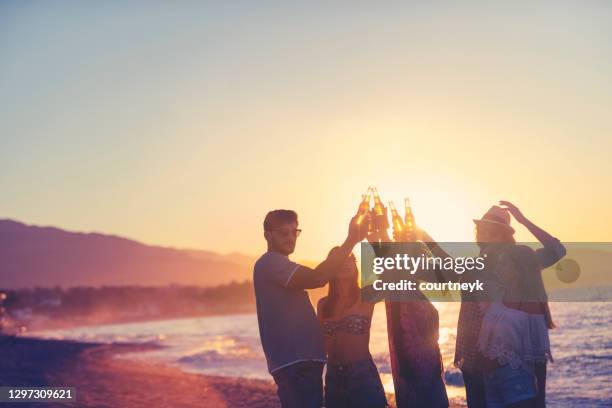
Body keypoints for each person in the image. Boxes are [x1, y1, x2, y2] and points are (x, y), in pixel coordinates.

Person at [420, 202, 565, 408]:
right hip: (473, 361)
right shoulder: (473, 267)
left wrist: (522, 220)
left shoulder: (517, 264)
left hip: (507, 365)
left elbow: (557, 250)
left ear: (502, 236)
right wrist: (425, 239)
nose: (480, 233)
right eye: (480, 228)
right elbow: (449, 269)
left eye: (487, 230)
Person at [253, 209, 370, 408]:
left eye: (294, 232)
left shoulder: (282, 266)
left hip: (303, 363)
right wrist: (351, 240)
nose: (290, 237)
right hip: (296, 364)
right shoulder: (270, 263)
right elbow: (318, 278)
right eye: (283, 232)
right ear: (267, 235)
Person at [316, 247, 388, 408]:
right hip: (334, 376)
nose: (346, 263)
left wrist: (376, 243)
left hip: (362, 374)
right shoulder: (323, 305)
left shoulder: (366, 296)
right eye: (340, 259)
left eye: (350, 259)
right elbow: (320, 347)